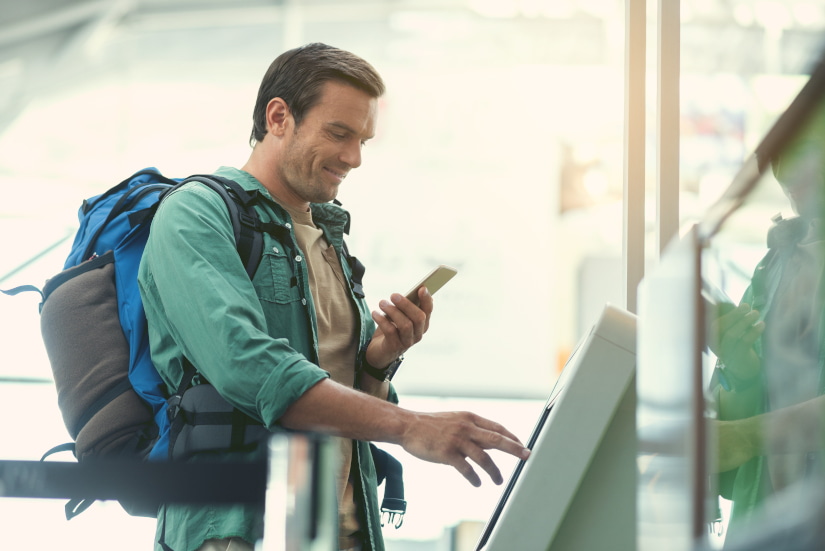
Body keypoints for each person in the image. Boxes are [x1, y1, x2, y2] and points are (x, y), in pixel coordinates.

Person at [137, 42, 530, 551]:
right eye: (340, 133)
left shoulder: (329, 237)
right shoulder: (195, 214)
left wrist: (376, 361)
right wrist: (411, 427)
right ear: (279, 117)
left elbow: (349, 408)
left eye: (364, 139)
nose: (355, 158)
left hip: (334, 530)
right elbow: (248, 368)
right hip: (236, 530)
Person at [710, 125, 825, 536]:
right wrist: (741, 369)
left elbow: (739, 442)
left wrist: (745, 436)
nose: (789, 173)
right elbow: (730, 473)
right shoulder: (775, 264)